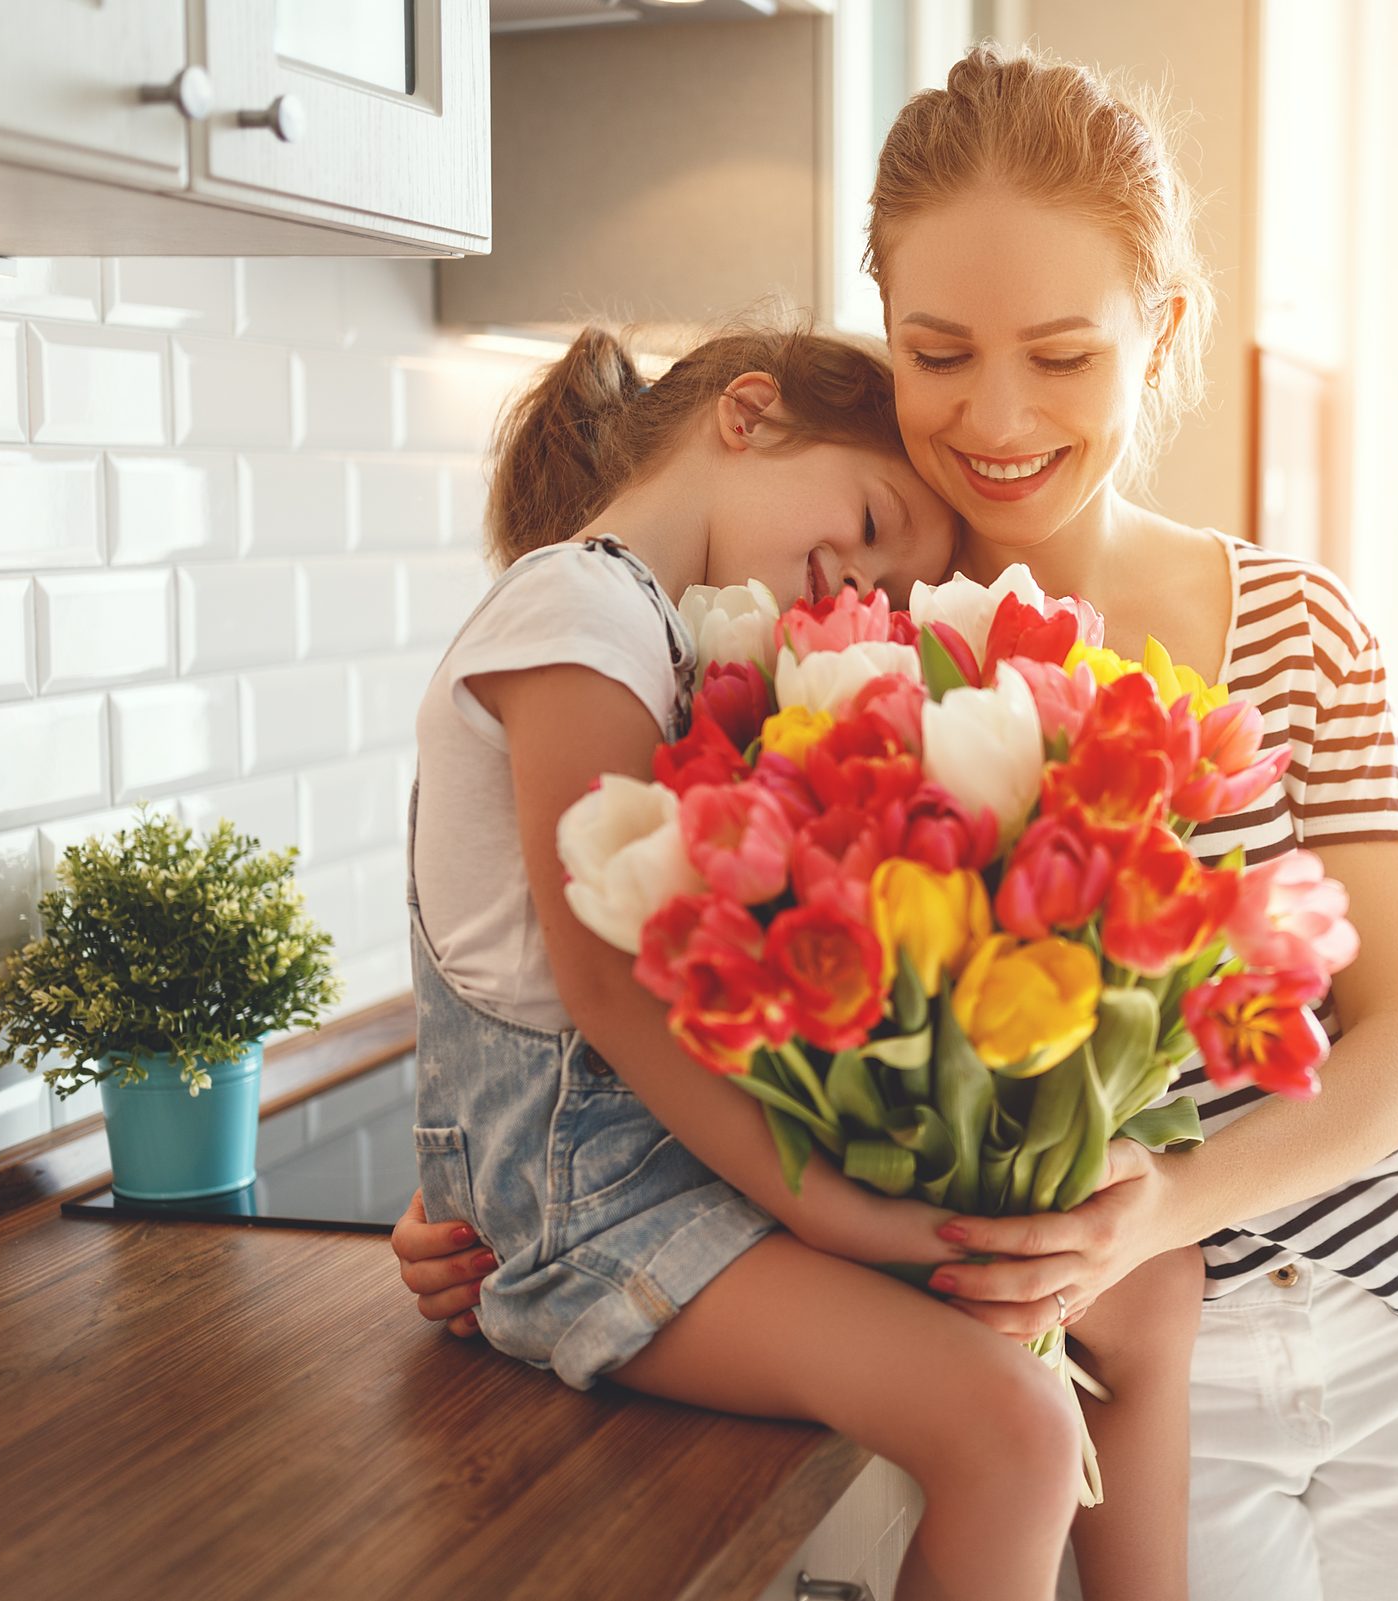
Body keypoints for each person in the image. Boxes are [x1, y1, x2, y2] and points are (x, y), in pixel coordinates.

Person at [396, 44, 1398, 1600]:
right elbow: (668, 984)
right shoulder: (799, 656)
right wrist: (481, 1173)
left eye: (1064, 354)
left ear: (1163, 336)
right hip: (1135, 1347)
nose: (997, 413)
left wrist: (1162, 1209)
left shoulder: (1296, 625)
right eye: (939, 352)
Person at [402, 317, 1201, 1601]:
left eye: (887, 583)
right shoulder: (577, 604)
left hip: (679, 1170)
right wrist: (843, 1212)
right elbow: (603, 990)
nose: (856, 586)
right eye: (879, 514)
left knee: (1150, 1287)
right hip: (602, 1203)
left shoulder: (662, 627)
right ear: (748, 412)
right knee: (1016, 1428)